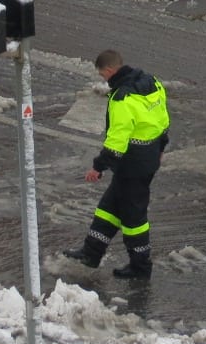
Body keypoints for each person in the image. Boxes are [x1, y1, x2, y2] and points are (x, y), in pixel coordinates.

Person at [61, 49, 170, 280]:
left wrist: (98, 167)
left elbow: (117, 141)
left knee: (133, 218)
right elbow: (162, 119)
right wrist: (161, 147)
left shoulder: (123, 97)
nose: (103, 79)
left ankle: (140, 267)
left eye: (102, 75)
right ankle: (91, 253)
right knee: (109, 206)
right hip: (148, 155)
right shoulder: (152, 82)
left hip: (133, 162)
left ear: (110, 70)